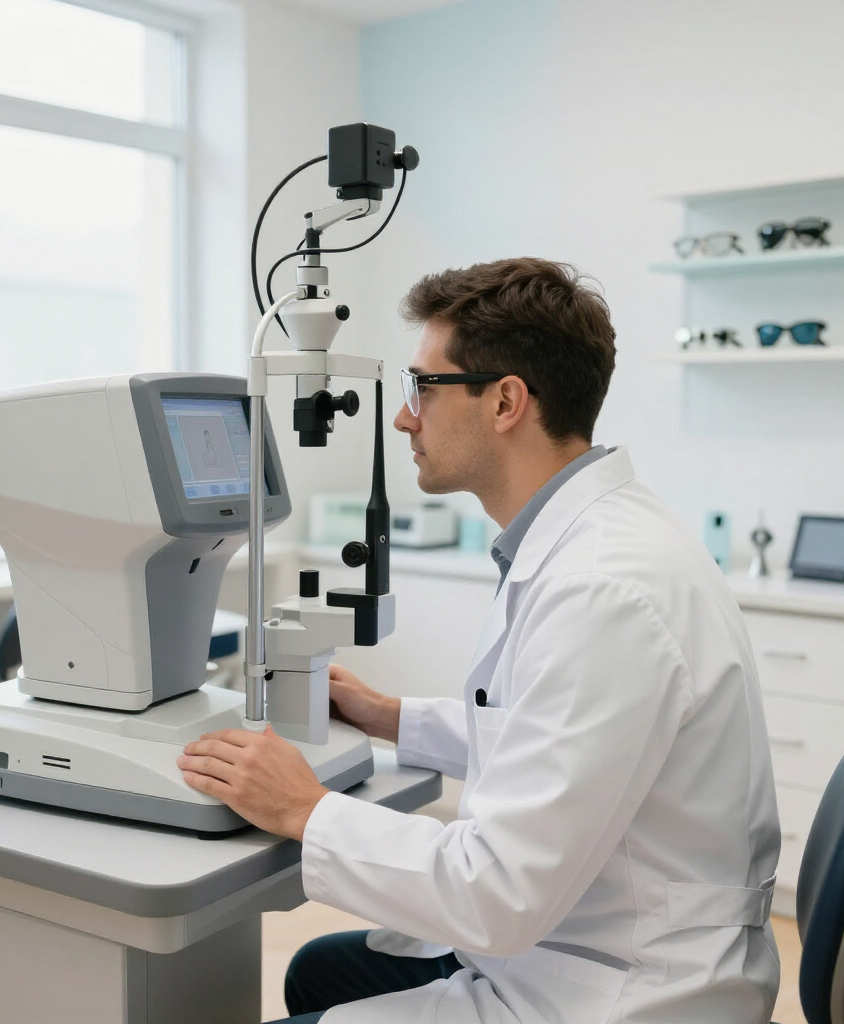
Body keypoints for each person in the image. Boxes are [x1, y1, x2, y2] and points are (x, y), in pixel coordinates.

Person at [178, 257, 780, 1024]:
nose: (404, 418)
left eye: (422, 388)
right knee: (320, 972)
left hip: (621, 988)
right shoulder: (595, 538)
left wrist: (305, 807)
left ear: (504, 402)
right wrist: (396, 716)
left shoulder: (604, 589)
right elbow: (556, 736)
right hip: (587, 930)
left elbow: (496, 893)